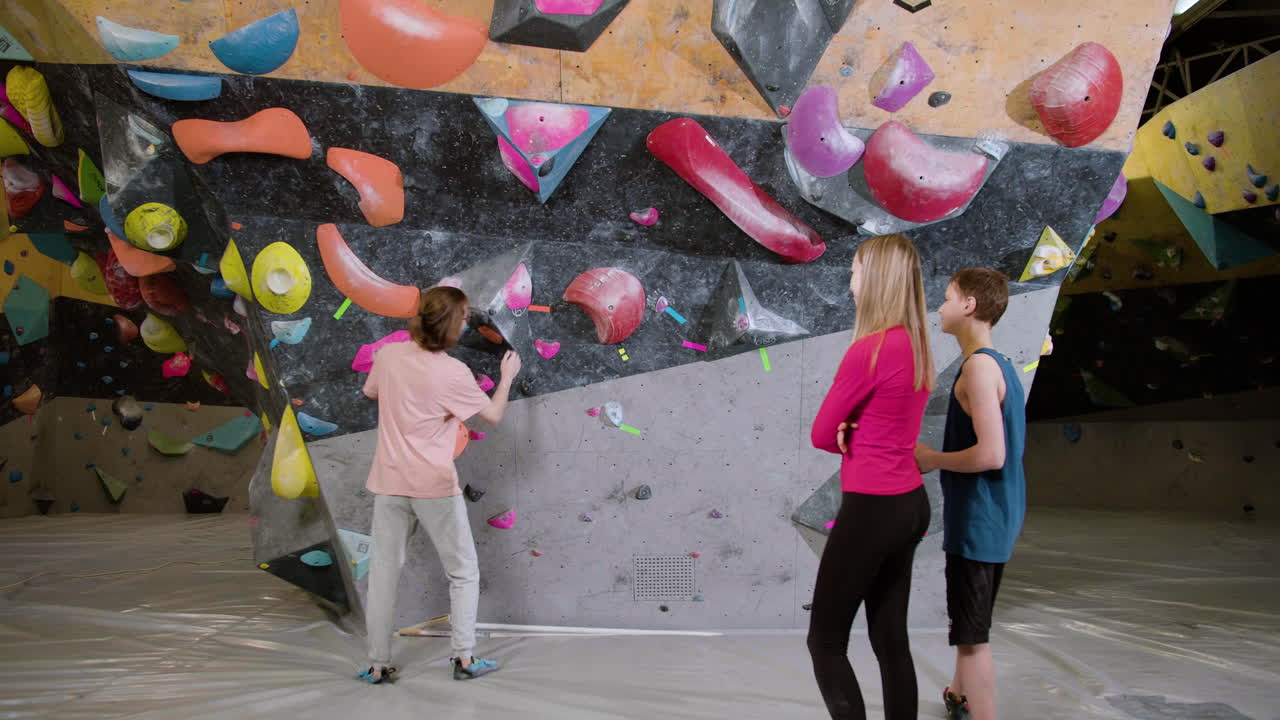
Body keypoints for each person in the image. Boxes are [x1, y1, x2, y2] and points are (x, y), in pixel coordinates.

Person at [358, 285, 522, 684]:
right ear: (452, 324)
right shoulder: (452, 372)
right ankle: (463, 660)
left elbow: (370, 391)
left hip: (389, 480)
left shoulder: (389, 354)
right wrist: (506, 376)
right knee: (462, 572)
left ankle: (377, 665)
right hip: (433, 485)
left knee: (383, 574)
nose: (468, 322)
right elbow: (494, 415)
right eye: (465, 317)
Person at [809, 233, 935, 720]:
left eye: (856, 270)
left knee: (825, 642)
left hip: (874, 507)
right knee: (890, 641)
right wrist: (856, 426)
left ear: (876, 278)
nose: (850, 281)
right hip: (909, 504)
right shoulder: (917, 345)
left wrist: (848, 428)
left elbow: (822, 434)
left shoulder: (870, 351)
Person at [914, 268, 1026, 720]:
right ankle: (958, 697)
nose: (939, 307)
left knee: (971, 639)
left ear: (969, 306)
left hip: (980, 520)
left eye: (946, 298)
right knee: (971, 621)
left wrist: (931, 457)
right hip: (994, 516)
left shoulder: (979, 367)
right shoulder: (996, 363)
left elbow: (991, 455)